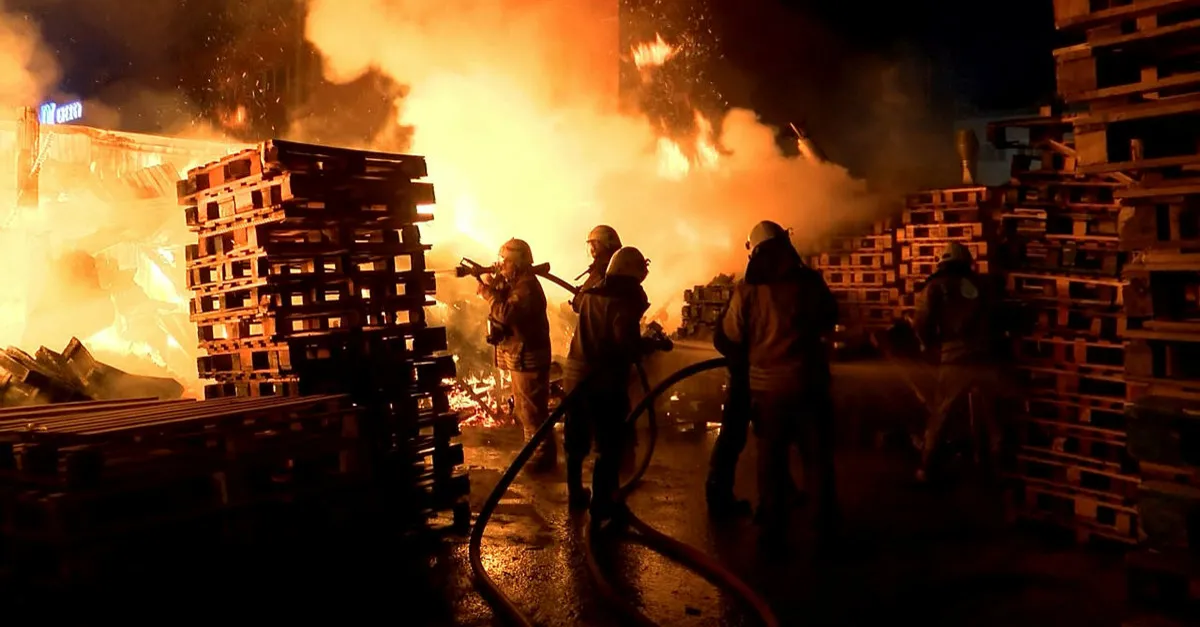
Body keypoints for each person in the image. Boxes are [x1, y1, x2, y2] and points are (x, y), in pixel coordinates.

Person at [715, 220, 840, 548]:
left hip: (767, 392)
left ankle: (772, 534)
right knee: (816, 458)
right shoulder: (809, 283)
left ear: (754, 250)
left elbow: (729, 336)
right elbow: (830, 316)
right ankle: (823, 531)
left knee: (771, 461)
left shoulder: (747, 290)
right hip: (809, 385)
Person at [564, 246, 658, 523]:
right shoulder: (622, 303)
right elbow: (625, 344)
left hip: (575, 376)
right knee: (609, 444)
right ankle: (603, 503)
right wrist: (650, 344)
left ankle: (575, 492)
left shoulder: (592, 295)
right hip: (603, 382)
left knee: (576, 439)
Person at [913, 241, 1000, 484]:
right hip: (985, 356)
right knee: (992, 416)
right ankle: (997, 467)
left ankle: (927, 467)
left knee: (942, 412)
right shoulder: (981, 284)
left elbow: (921, 321)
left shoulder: (935, 286)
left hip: (955, 359)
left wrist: (928, 344)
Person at [479, 238, 555, 470]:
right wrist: (495, 285)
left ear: (518, 262)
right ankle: (533, 451)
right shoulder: (517, 283)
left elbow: (506, 314)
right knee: (524, 409)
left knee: (533, 411)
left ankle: (542, 457)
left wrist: (489, 295)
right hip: (520, 356)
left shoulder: (527, 287)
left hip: (528, 357)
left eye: (506, 261)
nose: (501, 265)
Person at [572, 225, 622, 311]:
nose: (592, 248)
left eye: (593, 244)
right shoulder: (622, 268)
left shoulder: (602, 271)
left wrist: (580, 294)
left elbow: (580, 303)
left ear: (598, 244)